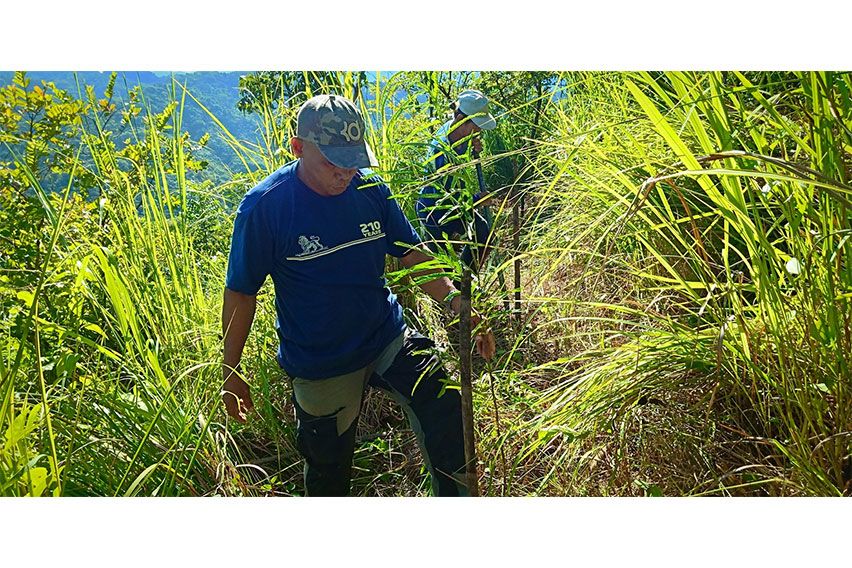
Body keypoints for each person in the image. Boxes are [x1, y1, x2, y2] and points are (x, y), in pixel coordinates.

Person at [221, 94, 495, 497]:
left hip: (385, 335)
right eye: (332, 161)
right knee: (328, 471)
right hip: (321, 359)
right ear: (298, 148)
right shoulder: (267, 207)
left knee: (445, 405)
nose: (345, 172)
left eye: (353, 159)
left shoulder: (371, 192)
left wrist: (457, 304)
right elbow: (241, 294)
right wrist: (230, 368)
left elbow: (411, 254)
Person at [416, 89, 497, 272]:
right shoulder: (441, 156)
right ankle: (457, 291)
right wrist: (477, 201)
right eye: (476, 126)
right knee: (443, 267)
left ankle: (465, 285)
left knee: (483, 233)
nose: (479, 131)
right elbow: (447, 200)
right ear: (460, 119)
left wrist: (470, 145)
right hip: (435, 212)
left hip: (454, 205)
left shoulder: (454, 129)